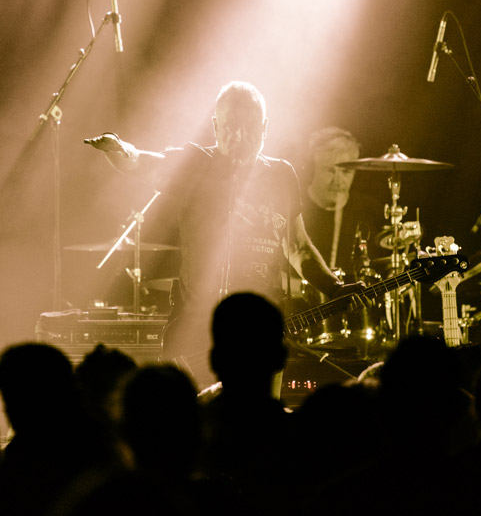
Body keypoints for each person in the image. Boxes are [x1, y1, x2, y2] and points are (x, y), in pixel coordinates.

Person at [85, 81, 363, 385]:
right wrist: (119, 146)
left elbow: (298, 247)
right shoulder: (197, 164)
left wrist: (335, 288)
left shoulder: (281, 174)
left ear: (265, 126)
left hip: (263, 328)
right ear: (216, 127)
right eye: (231, 127)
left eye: (250, 127)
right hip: (200, 330)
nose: (241, 137)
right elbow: (143, 162)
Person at [301, 126, 384, 280]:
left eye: (346, 172)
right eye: (330, 171)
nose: (339, 181)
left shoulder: (370, 210)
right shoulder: (295, 209)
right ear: (313, 168)